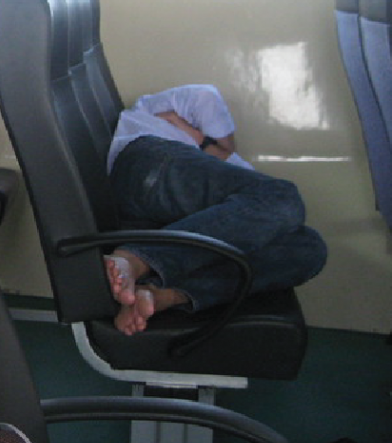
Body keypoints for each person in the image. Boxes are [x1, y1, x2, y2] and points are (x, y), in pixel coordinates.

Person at [103, 84, 327, 335]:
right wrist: (211, 142)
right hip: (147, 161)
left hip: (157, 218)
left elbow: (252, 216)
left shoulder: (232, 173)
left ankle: (160, 293)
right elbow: (205, 96)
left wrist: (201, 139)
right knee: (284, 197)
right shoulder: (161, 108)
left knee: (309, 247)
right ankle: (136, 259)